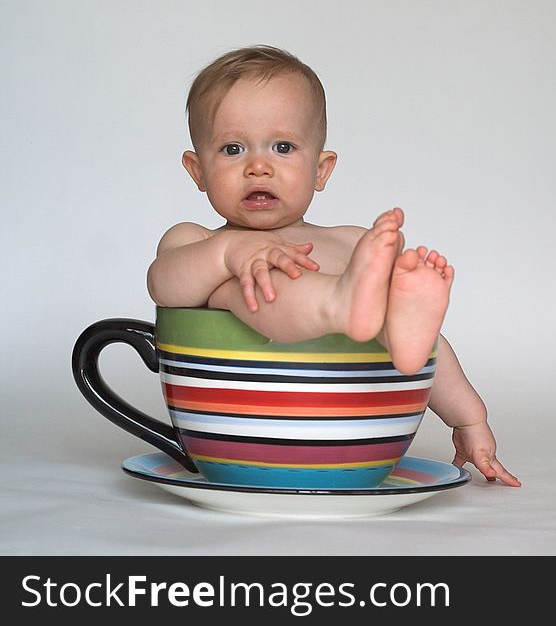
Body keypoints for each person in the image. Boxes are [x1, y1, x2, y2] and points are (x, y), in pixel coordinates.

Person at [147, 45, 520, 486]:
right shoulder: (199, 241)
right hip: (262, 424)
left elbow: (427, 342)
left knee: (399, 317)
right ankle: (338, 305)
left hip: (347, 425)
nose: (258, 167)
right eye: (232, 149)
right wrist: (230, 256)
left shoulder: (349, 244)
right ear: (198, 171)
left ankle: (361, 310)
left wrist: (468, 419)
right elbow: (164, 285)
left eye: (283, 147)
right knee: (240, 285)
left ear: (320, 170)